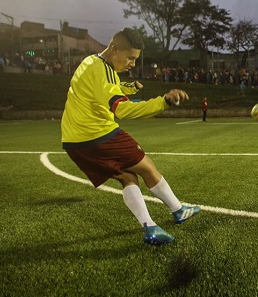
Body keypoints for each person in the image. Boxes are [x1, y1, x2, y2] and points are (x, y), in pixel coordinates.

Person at [61, 28, 199, 246]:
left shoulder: (90, 62)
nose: (133, 64)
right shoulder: (103, 70)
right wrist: (164, 101)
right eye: (131, 58)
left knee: (127, 177)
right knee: (148, 168)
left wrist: (130, 88)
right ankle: (179, 210)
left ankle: (150, 228)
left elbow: (101, 89)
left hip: (74, 141)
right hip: (100, 134)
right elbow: (122, 110)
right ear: (115, 49)